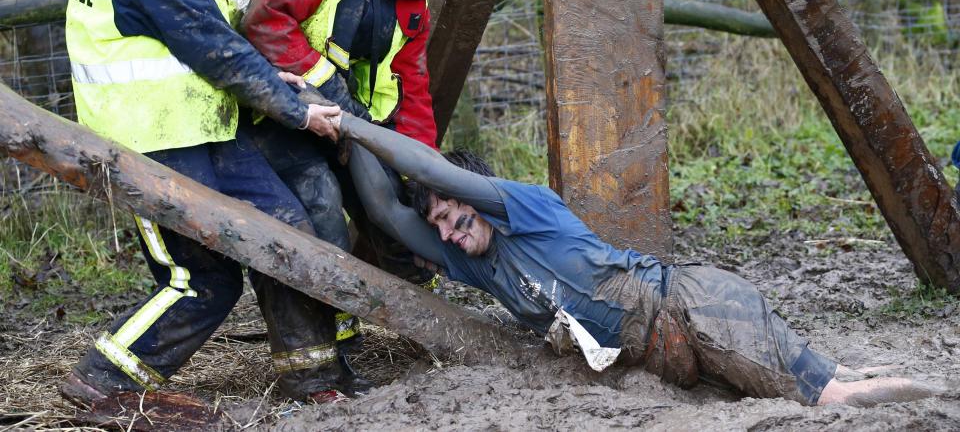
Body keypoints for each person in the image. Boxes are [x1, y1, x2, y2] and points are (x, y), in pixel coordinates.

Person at [309, 103, 939, 407]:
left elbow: (427, 168)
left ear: (471, 196)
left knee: (828, 398)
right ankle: (898, 384)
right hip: (666, 362)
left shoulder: (521, 205)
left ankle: (940, 395)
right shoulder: (475, 261)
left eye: (451, 214)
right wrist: (343, 121)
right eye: (441, 226)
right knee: (815, 384)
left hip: (692, 306)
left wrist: (358, 127)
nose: (448, 233)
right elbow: (391, 216)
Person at [61, 0, 358, 406]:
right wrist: (300, 112)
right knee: (203, 280)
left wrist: (278, 80)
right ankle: (103, 382)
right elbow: (221, 57)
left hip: (207, 130)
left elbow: (215, 42)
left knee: (284, 237)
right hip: (150, 146)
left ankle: (313, 376)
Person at [227, 0, 466, 381]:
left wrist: (422, 170)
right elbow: (265, 22)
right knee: (318, 206)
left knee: (396, 207)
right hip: (261, 101)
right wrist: (337, 104)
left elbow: (410, 84)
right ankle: (327, 346)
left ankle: (434, 329)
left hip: (341, 117)